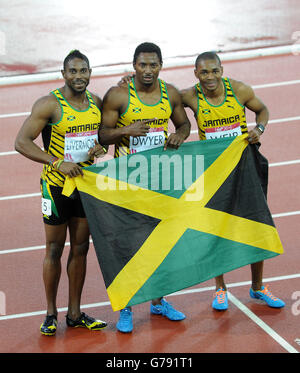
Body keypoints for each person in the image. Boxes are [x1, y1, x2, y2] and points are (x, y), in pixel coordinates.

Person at [180, 51, 285, 311]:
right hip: (214, 171)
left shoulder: (239, 90)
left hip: (245, 165)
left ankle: (258, 287)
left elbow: (262, 110)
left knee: (256, 223)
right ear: (196, 74)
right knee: (217, 228)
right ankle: (220, 288)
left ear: (221, 70)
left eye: (214, 71)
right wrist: (130, 81)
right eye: (204, 72)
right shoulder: (191, 96)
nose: (210, 77)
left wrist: (258, 129)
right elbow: (162, 96)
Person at [99, 42, 191, 333]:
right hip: (126, 183)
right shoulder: (118, 95)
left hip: (160, 182)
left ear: (161, 65)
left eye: (153, 65)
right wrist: (127, 130)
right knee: (127, 246)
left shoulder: (170, 93)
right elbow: (102, 136)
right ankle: (126, 306)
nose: (148, 70)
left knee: (159, 244)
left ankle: (158, 301)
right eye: (142, 65)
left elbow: (184, 125)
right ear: (134, 65)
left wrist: (179, 136)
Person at [15, 50, 108, 335]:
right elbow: (21, 142)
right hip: (56, 188)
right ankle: (50, 313)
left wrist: (98, 149)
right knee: (54, 249)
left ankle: (75, 313)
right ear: (64, 74)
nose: (79, 77)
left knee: (81, 249)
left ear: (90, 73)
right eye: (73, 71)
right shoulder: (49, 105)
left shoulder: (96, 103)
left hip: (85, 186)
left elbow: (100, 138)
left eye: (84, 71)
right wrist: (57, 162)